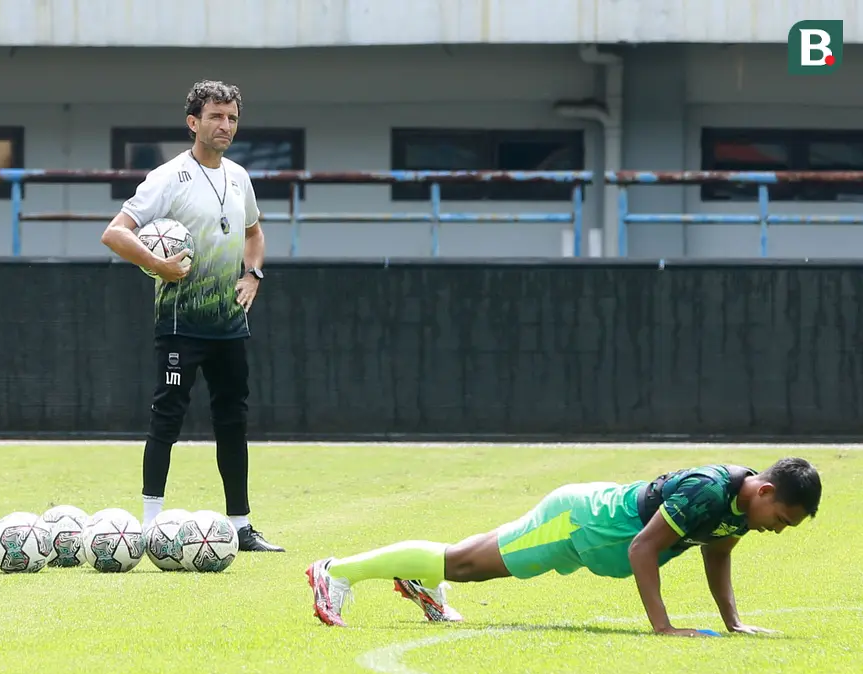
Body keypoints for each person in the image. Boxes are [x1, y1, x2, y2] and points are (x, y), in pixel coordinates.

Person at [306, 457, 821, 634]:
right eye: (780, 519)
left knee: (468, 562)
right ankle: (336, 570)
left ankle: (419, 581)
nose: (776, 530)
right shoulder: (711, 490)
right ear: (766, 491)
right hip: (579, 524)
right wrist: (663, 627)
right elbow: (643, 549)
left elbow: (718, 551)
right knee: (463, 564)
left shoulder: (738, 513)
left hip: (587, 533)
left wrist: (732, 620)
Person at [99, 79, 283, 553]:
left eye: (232, 118)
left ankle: (241, 527)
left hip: (229, 325)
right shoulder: (167, 177)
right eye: (216, 117)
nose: (225, 126)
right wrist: (157, 265)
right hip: (181, 326)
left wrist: (253, 275)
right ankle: (149, 527)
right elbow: (115, 233)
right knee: (167, 419)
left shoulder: (239, 176)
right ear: (193, 122)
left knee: (232, 423)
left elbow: (254, 234)